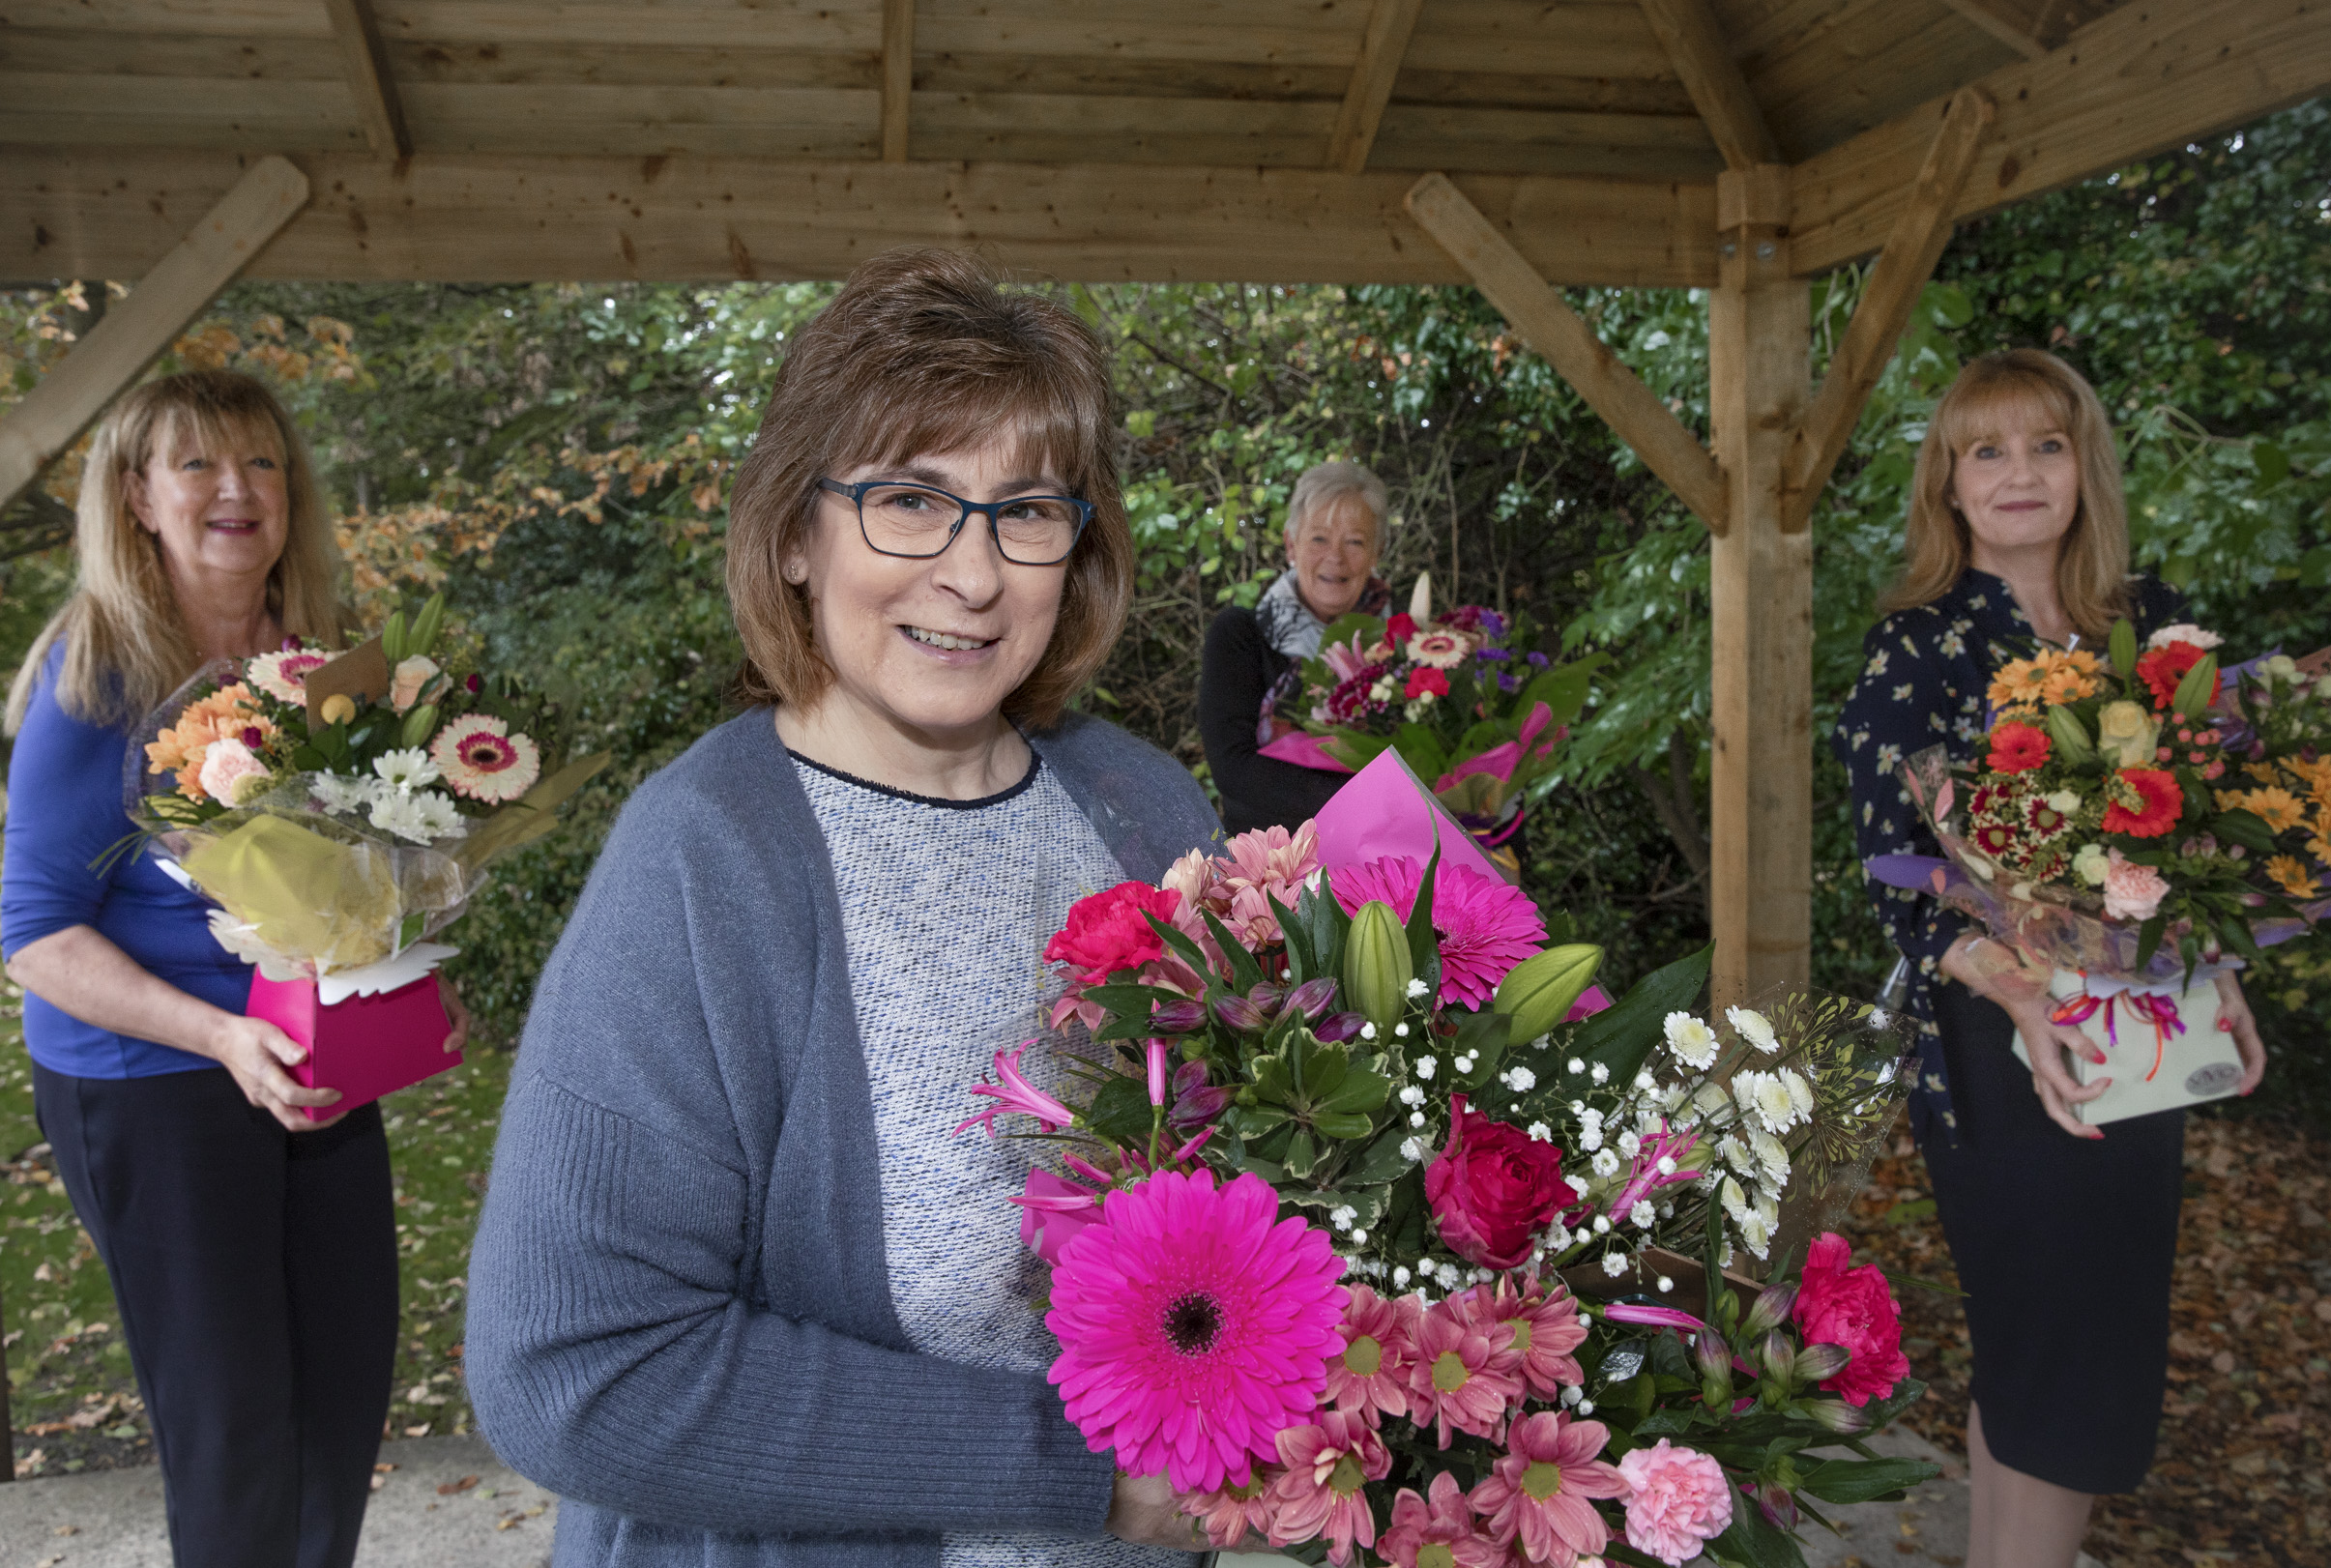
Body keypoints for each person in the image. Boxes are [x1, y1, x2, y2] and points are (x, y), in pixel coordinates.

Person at [465, 248, 1222, 1567]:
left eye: (1028, 510)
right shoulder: (702, 862)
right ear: (798, 535)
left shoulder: (1145, 813)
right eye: (912, 501)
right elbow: (575, 1367)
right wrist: (1080, 1469)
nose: (974, 573)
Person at [1, 368, 461, 1568]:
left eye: (260, 461)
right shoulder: (92, 674)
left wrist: (404, 955)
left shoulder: (314, 662)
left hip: (310, 1058)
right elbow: (33, 931)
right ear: (139, 498)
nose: (236, 488)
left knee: (341, 1389)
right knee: (236, 1426)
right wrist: (217, 1037)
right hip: (153, 1078)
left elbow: (356, 869)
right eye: (197, 463)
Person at [1831, 349, 2267, 1568]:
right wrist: (2022, 992)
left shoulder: (2151, 630)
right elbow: (1895, 878)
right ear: (1948, 484)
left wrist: (2219, 969)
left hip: (2146, 1024)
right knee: (2058, 1340)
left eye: (2045, 444)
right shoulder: (1914, 649)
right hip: (2001, 1038)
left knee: (2063, 1335)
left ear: (2085, 465)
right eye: (1987, 449)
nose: (2019, 471)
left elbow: (2209, 842)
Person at [1197, 459, 1391, 833]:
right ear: (1291, 544)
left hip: (1384, 867)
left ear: (1376, 552)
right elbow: (1234, 769)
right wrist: (1374, 802)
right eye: (1319, 538)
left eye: (1355, 541)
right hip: (1271, 869)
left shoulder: (1404, 650)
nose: (1335, 557)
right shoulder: (1242, 635)